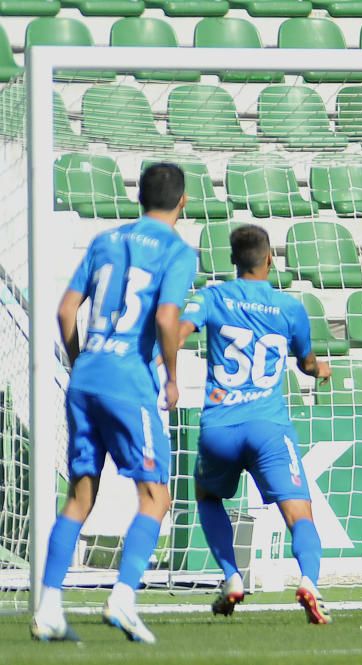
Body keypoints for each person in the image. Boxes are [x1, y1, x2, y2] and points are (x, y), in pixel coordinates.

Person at [32, 163, 197, 643]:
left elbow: (66, 309)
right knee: (156, 495)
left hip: (85, 380)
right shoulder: (177, 251)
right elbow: (167, 319)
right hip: (128, 381)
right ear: (182, 203)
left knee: (80, 495)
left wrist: (82, 361)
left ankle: (48, 607)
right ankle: (123, 597)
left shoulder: (105, 240)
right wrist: (170, 377)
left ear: (139, 199)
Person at [178, 224, 333, 624]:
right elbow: (306, 361)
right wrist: (320, 371)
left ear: (233, 260)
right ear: (269, 259)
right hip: (268, 428)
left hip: (219, 428)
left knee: (208, 497)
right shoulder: (289, 308)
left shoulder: (211, 296)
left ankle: (231, 576)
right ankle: (308, 581)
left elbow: (177, 331)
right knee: (300, 515)